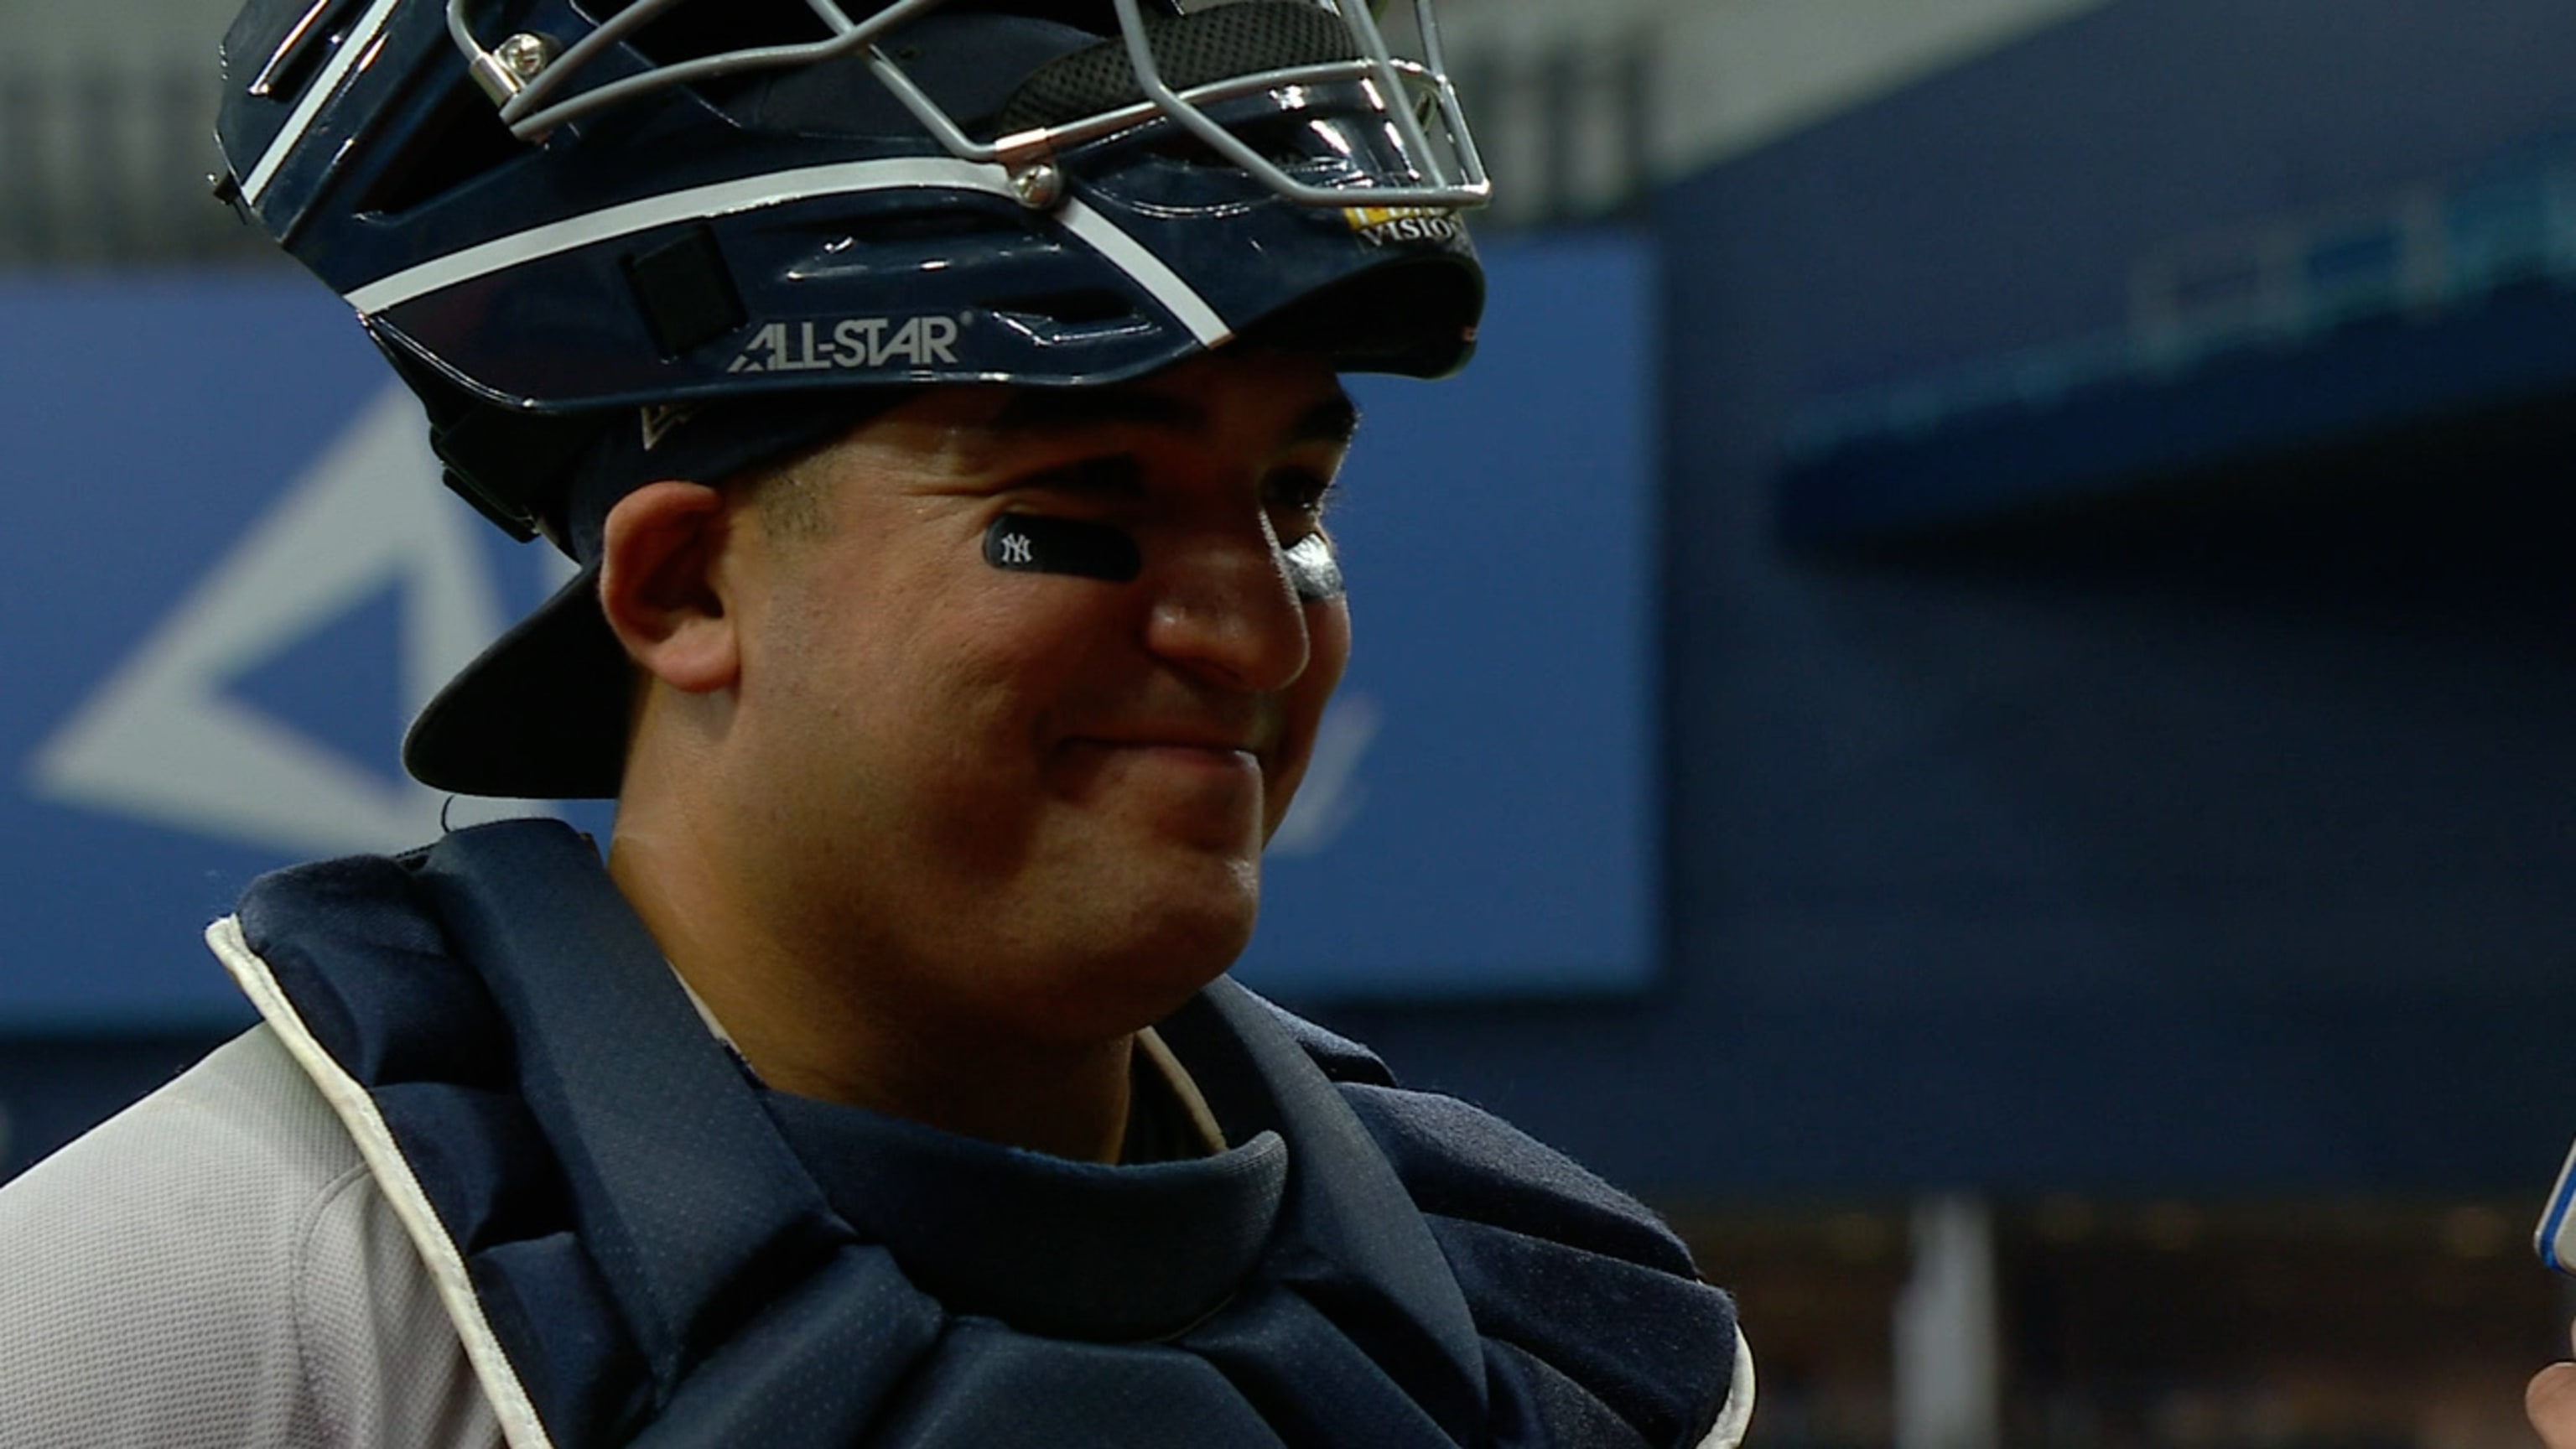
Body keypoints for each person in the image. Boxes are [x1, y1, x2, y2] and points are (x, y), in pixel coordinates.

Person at [0, 0, 1753, 1444]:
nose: (1247, 628)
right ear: (683, 587)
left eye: (1294, 503)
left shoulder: (1569, 1350)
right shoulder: (178, 1319)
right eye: (1084, 505)